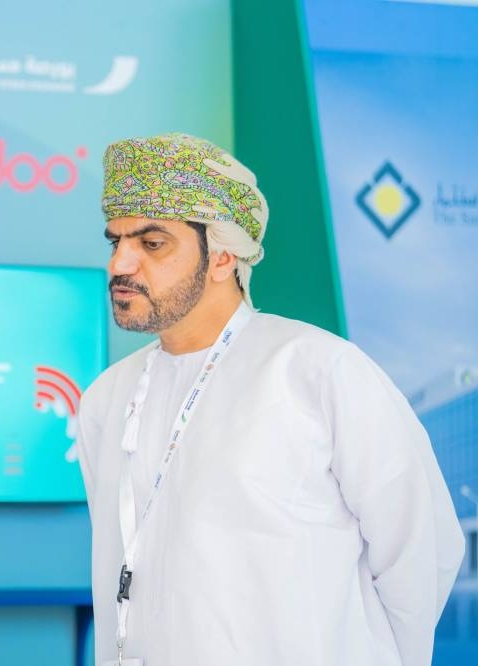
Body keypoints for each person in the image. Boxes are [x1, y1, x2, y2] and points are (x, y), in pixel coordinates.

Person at [76, 132, 464, 666]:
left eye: (152, 243)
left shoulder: (317, 370)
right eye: (115, 242)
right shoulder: (107, 399)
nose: (120, 264)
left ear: (222, 255)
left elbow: (420, 553)